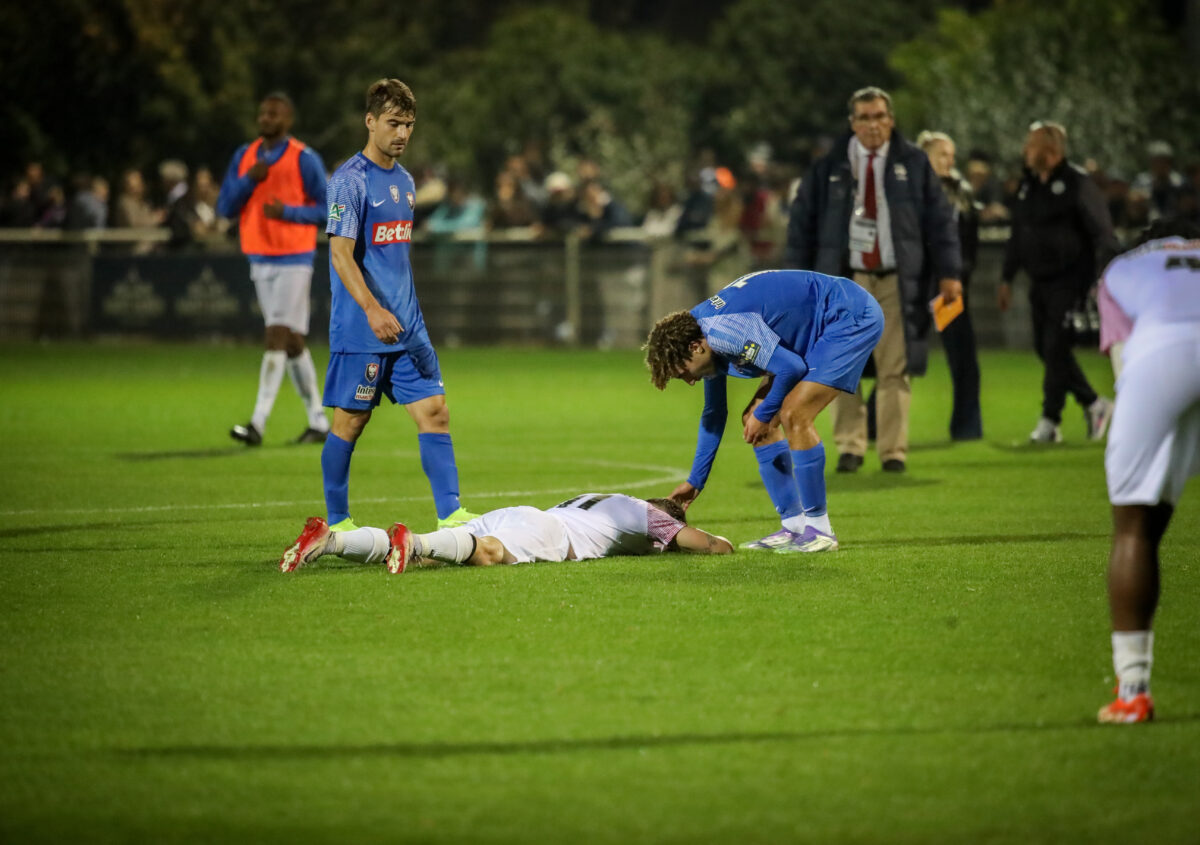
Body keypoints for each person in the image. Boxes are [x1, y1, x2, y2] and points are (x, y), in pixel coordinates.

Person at [309, 76, 477, 559]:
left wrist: (407, 313)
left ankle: (451, 515)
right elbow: (340, 254)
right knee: (351, 422)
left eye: (408, 124)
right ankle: (336, 522)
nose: (402, 133)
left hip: (408, 327)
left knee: (435, 411)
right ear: (370, 121)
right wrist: (373, 309)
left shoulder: (405, 182)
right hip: (363, 328)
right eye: (393, 123)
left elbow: (395, 259)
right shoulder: (349, 180)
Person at [785, 86, 961, 474]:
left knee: (894, 367)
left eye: (879, 116)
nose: (873, 125)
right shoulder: (830, 166)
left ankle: (893, 451)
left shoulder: (913, 163)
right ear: (852, 123)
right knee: (840, 364)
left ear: (891, 120)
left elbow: (940, 221)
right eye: (864, 118)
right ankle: (850, 445)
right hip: (847, 280)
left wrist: (950, 272)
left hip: (897, 279)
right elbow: (801, 225)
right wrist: (797, 281)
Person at [643, 268, 883, 553]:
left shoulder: (722, 333)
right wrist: (695, 481)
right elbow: (714, 413)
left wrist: (764, 412)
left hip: (846, 315)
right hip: (816, 325)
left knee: (794, 414)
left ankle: (820, 530)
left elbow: (791, 367)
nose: (690, 381)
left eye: (684, 372)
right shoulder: (701, 336)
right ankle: (794, 526)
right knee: (756, 420)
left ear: (695, 348)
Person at [1094, 218, 1200, 724]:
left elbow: (1124, 362)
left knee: (1135, 530)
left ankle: (1133, 689)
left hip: (1160, 356)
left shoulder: (1122, 268)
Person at [217, 92, 331, 446]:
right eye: (263, 113)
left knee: (275, 335)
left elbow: (329, 209)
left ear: (288, 120)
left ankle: (257, 423)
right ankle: (319, 421)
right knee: (291, 341)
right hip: (259, 256)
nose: (266, 118)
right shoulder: (245, 156)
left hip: (294, 257)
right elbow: (225, 207)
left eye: (274, 114)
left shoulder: (304, 158)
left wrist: (289, 213)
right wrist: (249, 180)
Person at [997, 121, 1119, 443]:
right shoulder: (1028, 185)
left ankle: (1050, 421)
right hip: (1039, 281)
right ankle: (1093, 403)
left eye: (1032, 144)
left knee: (1054, 346)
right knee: (1046, 348)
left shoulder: (1077, 183)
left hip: (1071, 279)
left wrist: (1102, 277)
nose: (1026, 150)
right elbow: (1018, 234)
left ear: (1050, 150)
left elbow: (1103, 233)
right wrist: (1006, 277)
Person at [279, 493, 732, 573]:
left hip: (518, 513)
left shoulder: (604, 498)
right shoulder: (651, 518)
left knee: (429, 557)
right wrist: (726, 544)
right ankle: (412, 540)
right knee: (490, 553)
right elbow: (712, 546)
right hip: (549, 530)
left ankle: (332, 540)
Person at [918, 131, 982, 441]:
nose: (950, 161)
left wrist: (960, 273)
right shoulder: (911, 190)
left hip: (949, 287)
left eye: (951, 155)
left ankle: (967, 428)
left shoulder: (961, 192)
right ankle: (876, 423)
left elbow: (969, 240)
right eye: (942, 154)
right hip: (918, 284)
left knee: (964, 358)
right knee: (901, 359)